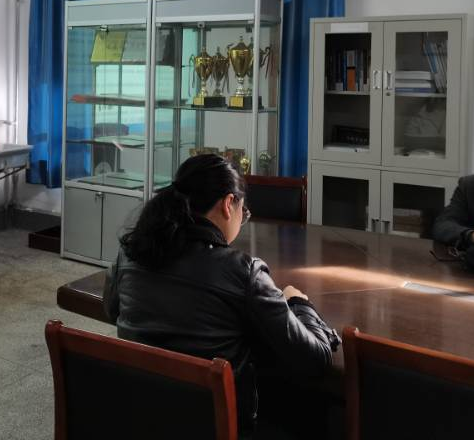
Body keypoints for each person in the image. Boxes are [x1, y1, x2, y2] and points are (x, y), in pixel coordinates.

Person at [103, 153, 337, 438]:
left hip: (141, 416)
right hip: (216, 427)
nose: (242, 218)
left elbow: (111, 310)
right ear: (228, 204)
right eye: (243, 211)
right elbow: (315, 359)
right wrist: (298, 303)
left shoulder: (131, 252)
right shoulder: (243, 271)